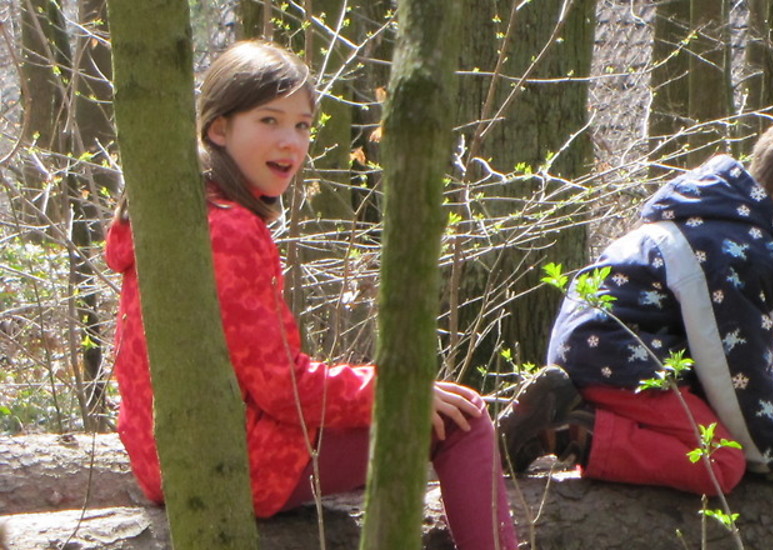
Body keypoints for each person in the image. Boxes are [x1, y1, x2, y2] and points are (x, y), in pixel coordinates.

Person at [105, 41, 517, 550]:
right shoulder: (228, 230)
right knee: (465, 420)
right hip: (235, 465)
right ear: (218, 129)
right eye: (269, 120)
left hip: (169, 461)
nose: (290, 142)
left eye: (301, 126)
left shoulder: (175, 214)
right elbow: (282, 389)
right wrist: (396, 390)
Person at [498, 112, 773, 497]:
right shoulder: (738, 253)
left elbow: (752, 358)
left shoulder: (719, 219)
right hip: (616, 358)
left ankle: (573, 415)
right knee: (720, 462)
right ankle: (566, 431)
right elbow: (734, 367)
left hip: (606, 348)